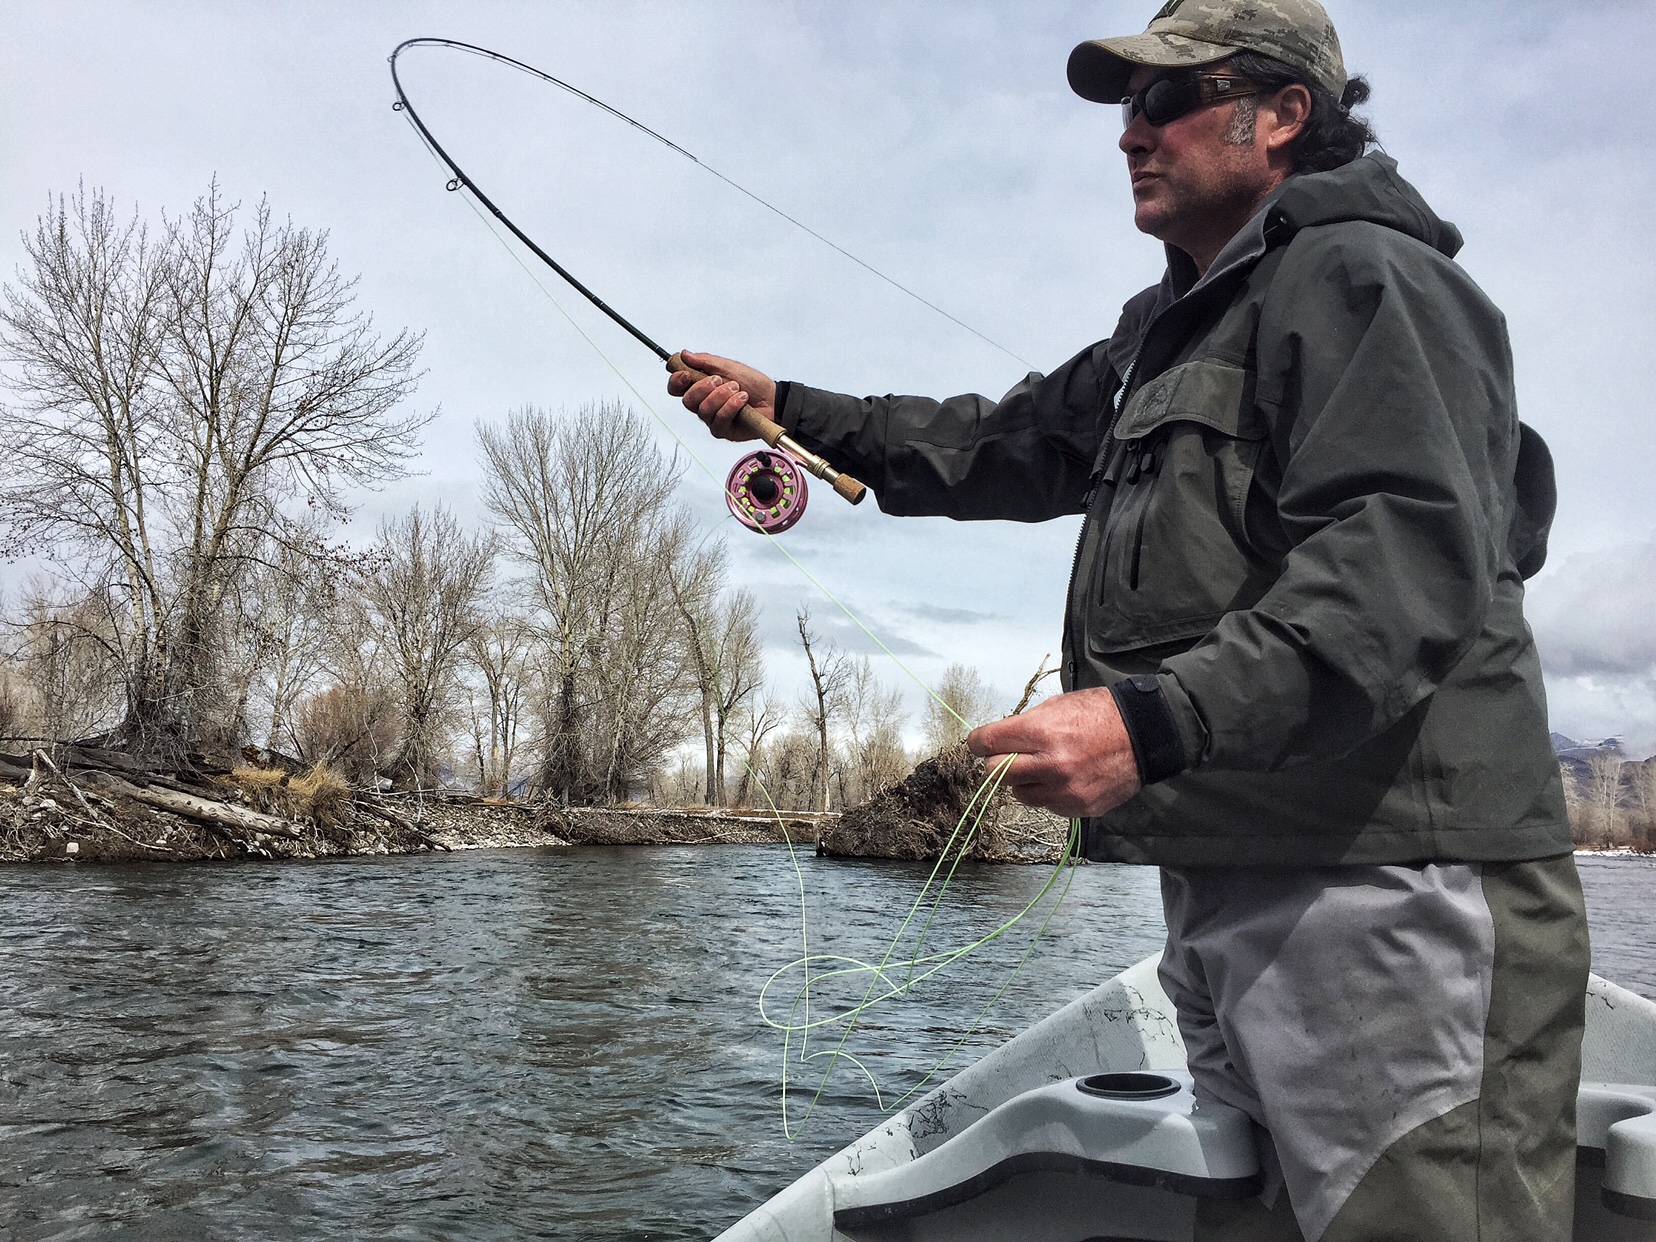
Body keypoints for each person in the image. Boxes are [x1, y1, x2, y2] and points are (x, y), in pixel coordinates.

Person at [669, 1, 1588, 1237]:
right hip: (1230, 876)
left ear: (1284, 115)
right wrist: (791, 408)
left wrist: (1153, 722)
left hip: (1393, 883)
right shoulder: (1162, 332)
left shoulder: (1372, 278)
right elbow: (1001, 440)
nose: (1129, 132)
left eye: (1165, 98)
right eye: (1124, 107)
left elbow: (1401, 565)